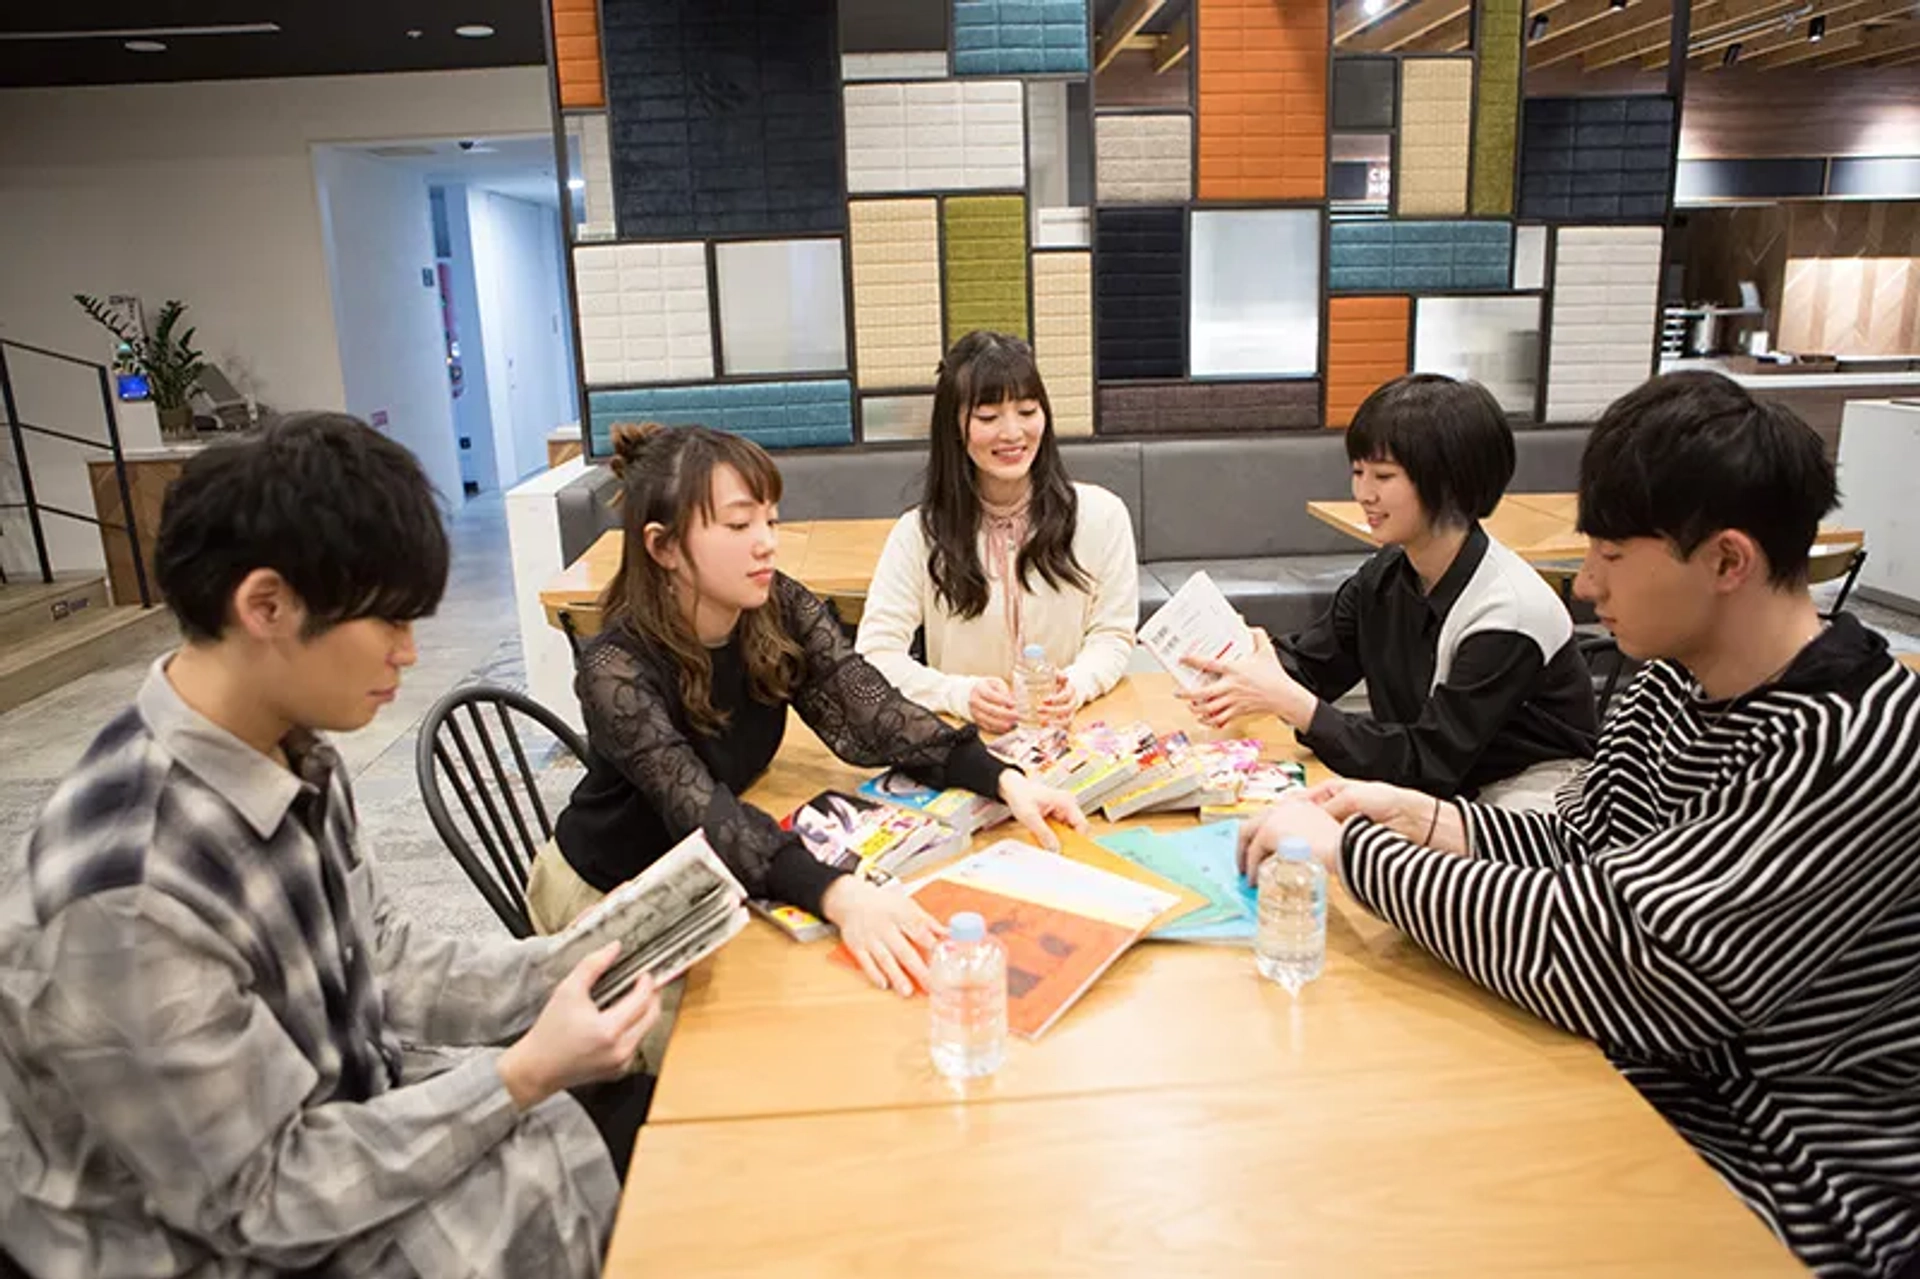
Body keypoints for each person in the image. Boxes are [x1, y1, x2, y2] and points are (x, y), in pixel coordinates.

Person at [1243, 372, 1920, 1279]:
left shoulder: (1853, 742)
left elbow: (1621, 956)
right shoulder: (1671, 680)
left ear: (1727, 562)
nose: (1587, 583)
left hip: (1783, 1170)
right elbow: (1586, 843)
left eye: (1610, 555)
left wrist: (1351, 852)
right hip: (1638, 1075)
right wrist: (1426, 819)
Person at [0, 414, 659, 1278]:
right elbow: (260, 1196)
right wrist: (519, 1075)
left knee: (635, 1111)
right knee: (595, 1149)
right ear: (265, 605)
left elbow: (378, 958)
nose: (409, 652)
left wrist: (587, 958)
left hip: (324, 1132)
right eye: (387, 621)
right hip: (199, 1241)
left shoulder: (288, 749)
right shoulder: (125, 893)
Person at [530, 421, 1086, 996]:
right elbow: (700, 814)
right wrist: (839, 895)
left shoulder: (774, 605)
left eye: (770, 520)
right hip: (615, 888)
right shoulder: (615, 670)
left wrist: (1003, 778)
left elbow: (873, 712)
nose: (766, 541)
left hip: (713, 865)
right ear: (663, 546)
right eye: (739, 524)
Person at [1180, 373, 1596, 808]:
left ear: (1449, 480)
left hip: (1529, 807)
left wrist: (1293, 702)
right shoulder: (1387, 574)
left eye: (1383, 475)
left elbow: (1429, 762)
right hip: (1437, 790)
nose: (1363, 493)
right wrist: (1235, 668)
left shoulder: (1508, 612)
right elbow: (1313, 663)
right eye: (1358, 471)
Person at [856, 330, 1139, 733]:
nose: (1012, 433)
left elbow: (1113, 635)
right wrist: (958, 694)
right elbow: (876, 655)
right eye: (988, 417)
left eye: (1027, 411)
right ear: (953, 427)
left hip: (1075, 736)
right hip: (968, 747)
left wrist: (1076, 686)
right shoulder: (919, 534)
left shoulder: (1102, 516)